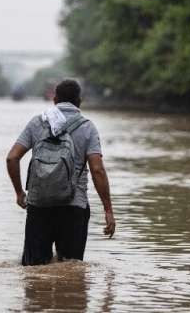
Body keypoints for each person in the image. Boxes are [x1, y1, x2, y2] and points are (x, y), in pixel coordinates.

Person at [6, 79, 115, 265]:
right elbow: (97, 170)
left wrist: (19, 193)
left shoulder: (37, 123)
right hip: (74, 207)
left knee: (34, 272)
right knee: (71, 271)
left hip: (39, 206)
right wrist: (108, 209)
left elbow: (12, 158)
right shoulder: (87, 127)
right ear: (79, 101)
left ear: (55, 99)